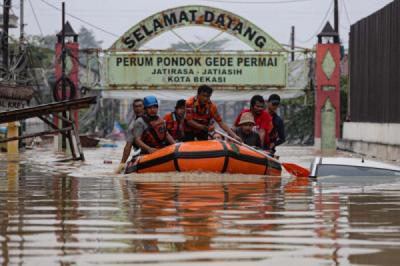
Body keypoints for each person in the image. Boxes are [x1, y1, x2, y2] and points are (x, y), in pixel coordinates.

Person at [116, 98, 145, 173]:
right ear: (133, 108)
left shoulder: (154, 120)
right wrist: (122, 164)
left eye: (140, 106)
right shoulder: (132, 126)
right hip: (143, 152)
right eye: (135, 107)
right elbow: (128, 146)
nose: (137, 109)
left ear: (144, 107)